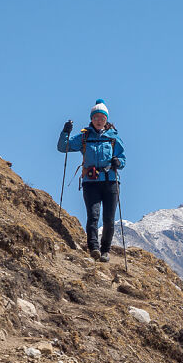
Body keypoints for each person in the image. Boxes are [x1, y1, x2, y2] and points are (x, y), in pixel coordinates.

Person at [57, 99, 126, 262]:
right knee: (93, 216)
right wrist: (65, 132)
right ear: (92, 119)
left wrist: (119, 162)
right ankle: (94, 248)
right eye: (96, 117)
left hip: (110, 182)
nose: (99, 120)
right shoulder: (84, 137)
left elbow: (123, 159)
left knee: (109, 220)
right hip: (91, 182)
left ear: (106, 119)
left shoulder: (113, 138)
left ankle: (105, 251)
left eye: (102, 117)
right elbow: (63, 147)